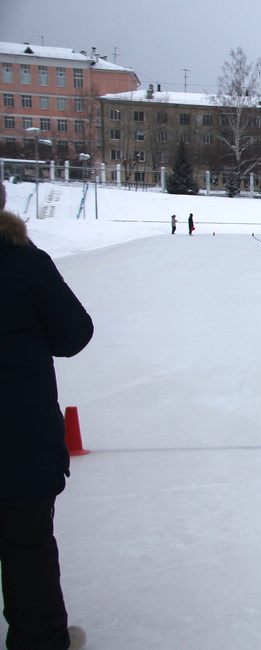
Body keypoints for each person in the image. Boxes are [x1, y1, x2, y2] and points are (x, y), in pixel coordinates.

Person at [1, 209, 93, 650]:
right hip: (19, 439)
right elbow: (73, 334)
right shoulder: (22, 261)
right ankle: (39, 641)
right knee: (27, 548)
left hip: (20, 440)